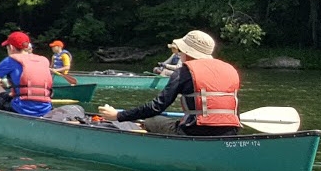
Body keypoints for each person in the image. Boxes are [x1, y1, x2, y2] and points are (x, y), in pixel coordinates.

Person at [98, 30, 240, 136]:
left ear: (186, 52)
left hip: (194, 132)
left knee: (151, 120)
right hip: (230, 132)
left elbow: (156, 107)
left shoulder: (184, 72)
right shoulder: (230, 70)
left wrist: (118, 116)